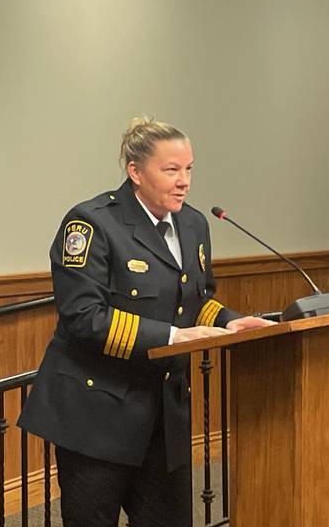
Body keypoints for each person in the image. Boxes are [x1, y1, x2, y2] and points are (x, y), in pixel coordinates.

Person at [17, 117, 271, 527]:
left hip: (164, 416)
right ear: (135, 171)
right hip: (97, 413)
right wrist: (173, 337)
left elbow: (195, 300)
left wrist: (228, 323)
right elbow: (84, 317)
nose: (183, 181)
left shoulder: (193, 224)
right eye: (171, 170)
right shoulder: (93, 223)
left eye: (189, 169)